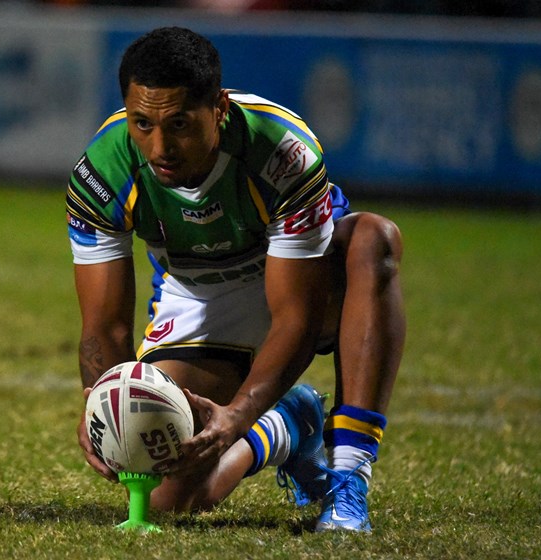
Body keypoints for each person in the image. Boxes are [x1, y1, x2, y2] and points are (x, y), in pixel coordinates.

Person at [67, 26, 405, 532]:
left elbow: (299, 317)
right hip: (199, 295)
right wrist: (103, 406)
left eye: (179, 123)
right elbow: (104, 326)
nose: (160, 147)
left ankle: (348, 477)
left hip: (305, 281)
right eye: (142, 124)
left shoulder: (280, 149)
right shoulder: (102, 172)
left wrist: (239, 411)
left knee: (372, 240)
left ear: (219, 108)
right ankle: (289, 424)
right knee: (169, 495)